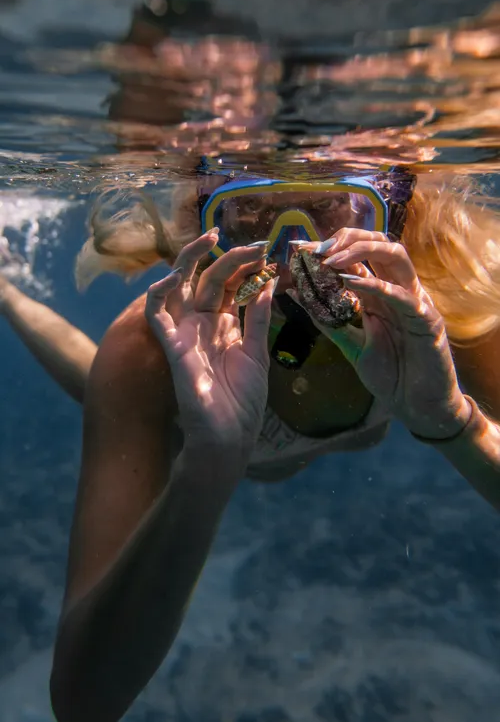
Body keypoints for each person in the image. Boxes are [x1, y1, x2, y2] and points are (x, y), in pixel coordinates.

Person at [2, 166, 500, 721]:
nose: (292, 258)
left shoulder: (450, 296)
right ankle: (6, 292)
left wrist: (453, 418)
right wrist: (207, 465)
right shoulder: (158, 349)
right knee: (100, 379)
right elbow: (81, 700)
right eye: (254, 218)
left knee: (108, 382)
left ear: (394, 214)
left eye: (329, 212)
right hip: (229, 451)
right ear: (207, 221)